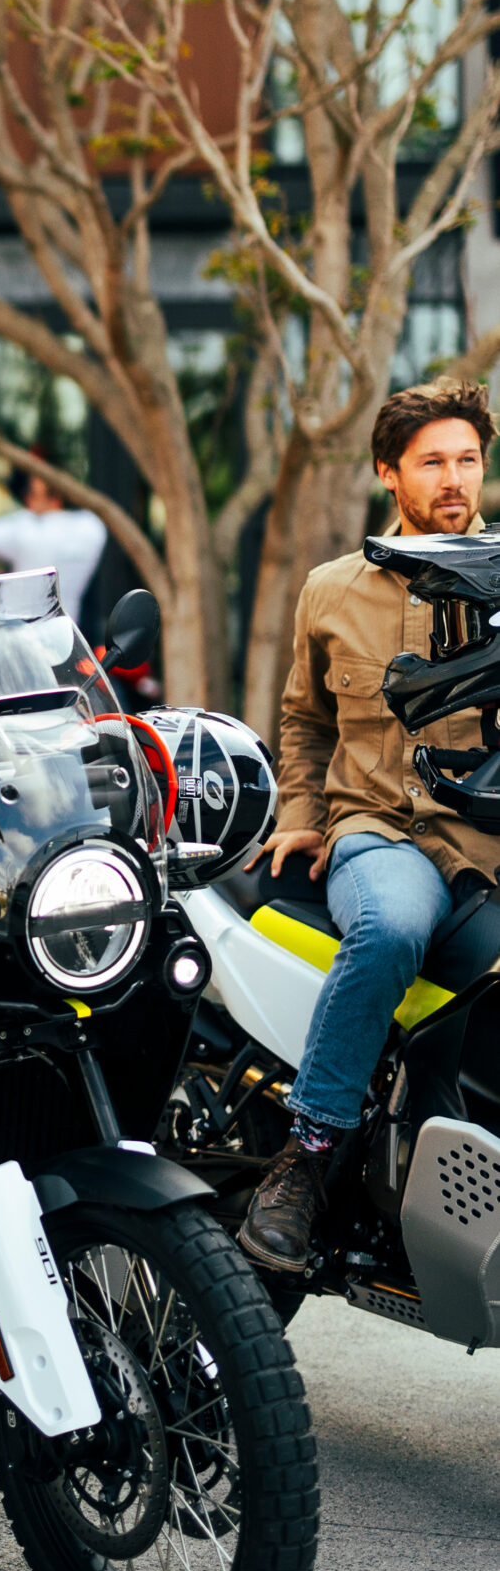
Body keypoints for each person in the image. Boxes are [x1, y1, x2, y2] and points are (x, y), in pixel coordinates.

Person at [240, 377, 497, 1275]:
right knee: (389, 929)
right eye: (432, 461)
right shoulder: (329, 591)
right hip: (379, 833)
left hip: (488, 855)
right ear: (390, 472)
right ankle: (305, 1159)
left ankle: (445, 1187)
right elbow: (303, 721)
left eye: (467, 458)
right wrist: (300, 815)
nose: (454, 477)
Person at [0, 463, 108, 628]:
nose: (28, 500)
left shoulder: (27, 532)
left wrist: (31, 512)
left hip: (17, 629)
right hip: (63, 631)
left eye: (31, 493)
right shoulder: (91, 528)